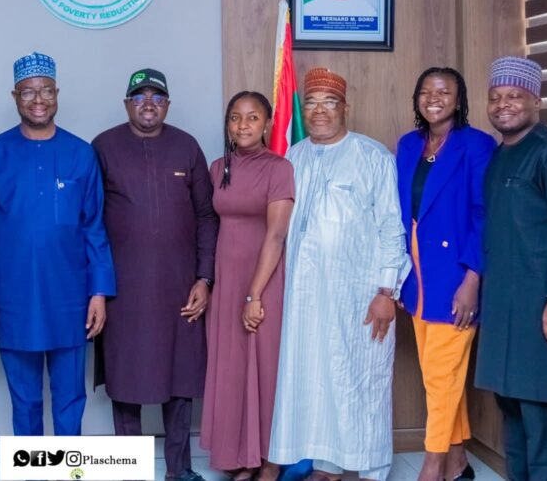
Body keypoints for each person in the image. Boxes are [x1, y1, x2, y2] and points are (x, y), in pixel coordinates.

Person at [268, 67, 409, 481]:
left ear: (345, 107)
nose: (319, 111)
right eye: (311, 103)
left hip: (360, 295)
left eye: (329, 103)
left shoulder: (372, 156)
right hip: (304, 296)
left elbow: (392, 227)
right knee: (318, 380)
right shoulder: (292, 157)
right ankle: (326, 465)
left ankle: (372, 468)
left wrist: (386, 290)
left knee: (361, 378)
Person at [0, 52, 115, 435]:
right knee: (25, 401)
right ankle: (33, 465)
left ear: (57, 94)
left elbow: (94, 227)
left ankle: (67, 466)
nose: (38, 100)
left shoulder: (81, 153)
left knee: (70, 399)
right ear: (14, 97)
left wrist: (99, 292)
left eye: (46, 91)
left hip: (70, 298)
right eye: (28, 92)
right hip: (12, 299)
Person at [92, 68, 218, 481]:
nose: (149, 104)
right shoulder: (104, 147)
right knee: (126, 379)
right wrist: (97, 287)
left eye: (157, 97)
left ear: (168, 105)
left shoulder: (187, 146)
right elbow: (89, 220)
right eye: (140, 97)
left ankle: (179, 470)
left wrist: (204, 278)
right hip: (122, 289)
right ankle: (130, 470)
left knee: (179, 379)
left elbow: (206, 216)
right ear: (126, 103)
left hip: (180, 286)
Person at [475, 57, 547, 481]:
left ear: (536, 101)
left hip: (540, 305)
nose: (503, 105)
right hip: (502, 304)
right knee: (510, 405)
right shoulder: (501, 154)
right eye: (496, 97)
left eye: (515, 96)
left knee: (537, 411)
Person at [396, 68, 494, 481]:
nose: (433, 98)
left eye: (443, 92)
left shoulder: (477, 145)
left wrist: (473, 279)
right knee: (440, 376)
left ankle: (433, 463)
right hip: (416, 276)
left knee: (440, 376)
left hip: (455, 277)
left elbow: (483, 215)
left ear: (459, 99)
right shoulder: (408, 144)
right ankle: (458, 463)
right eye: (426, 91)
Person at [201, 91, 294, 481]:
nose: (243, 125)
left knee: (265, 368)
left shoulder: (279, 168)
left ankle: (269, 460)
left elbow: (276, 235)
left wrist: (254, 293)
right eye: (236, 118)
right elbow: (209, 225)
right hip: (226, 280)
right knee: (232, 368)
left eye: (252, 117)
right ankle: (242, 458)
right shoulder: (217, 167)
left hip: (263, 279)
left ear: (267, 123)